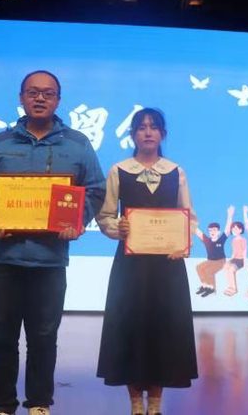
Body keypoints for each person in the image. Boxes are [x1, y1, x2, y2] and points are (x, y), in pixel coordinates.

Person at [0, 70, 106, 415]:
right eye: (33, 92)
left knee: (44, 337)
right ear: (21, 98)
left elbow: (95, 189)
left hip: (49, 259)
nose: (40, 98)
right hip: (2, 258)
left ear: (58, 100)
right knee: (0, 336)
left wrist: (76, 220)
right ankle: (2, 405)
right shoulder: (0, 142)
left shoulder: (78, 144)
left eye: (48, 93)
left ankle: (39, 403)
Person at [95, 108, 198, 415]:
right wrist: (118, 228)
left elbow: (189, 217)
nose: (148, 132)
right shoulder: (119, 170)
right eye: (141, 127)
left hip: (168, 266)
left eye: (154, 127)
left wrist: (183, 243)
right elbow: (105, 215)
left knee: (163, 328)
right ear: (133, 135)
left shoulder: (176, 172)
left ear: (162, 134)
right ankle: (134, 403)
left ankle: (155, 403)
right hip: (130, 267)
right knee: (130, 326)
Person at [194, 206, 233, 298]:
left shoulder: (221, 240)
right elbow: (197, 231)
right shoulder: (207, 240)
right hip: (210, 261)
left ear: (218, 232)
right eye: (210, 230)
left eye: (214, 230)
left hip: (220, 261)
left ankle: (212, 289)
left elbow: (227, 229)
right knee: (199, 267)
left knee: (209, 271)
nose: (212, 232)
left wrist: (230, 215)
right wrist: (188, 219)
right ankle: (205, 286)